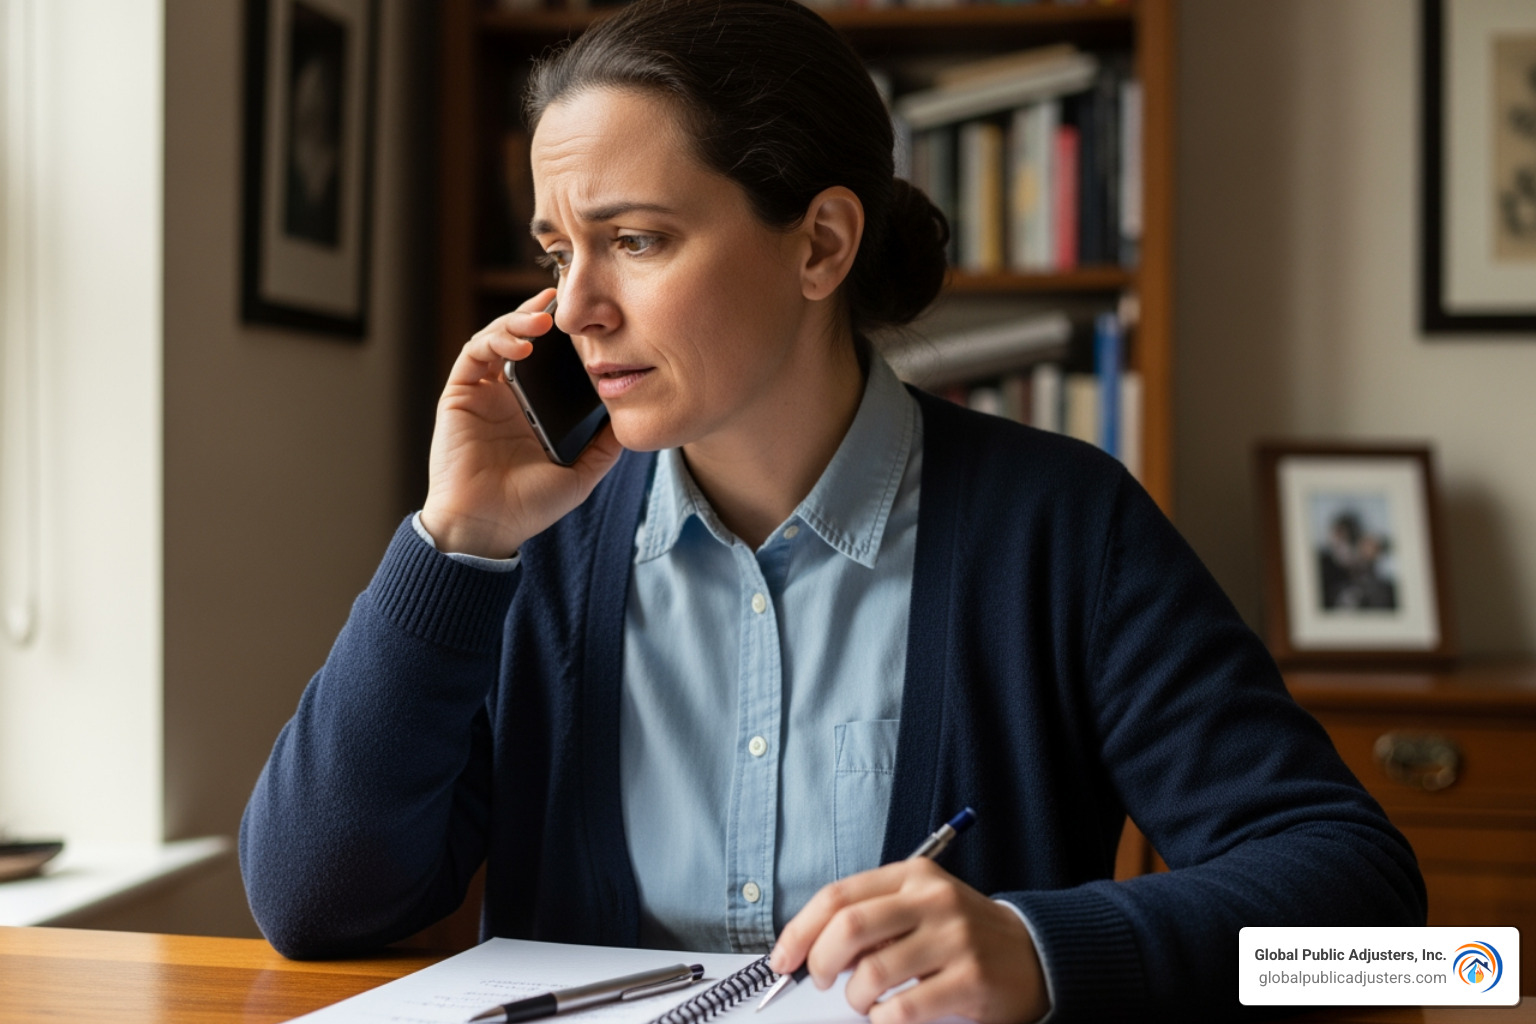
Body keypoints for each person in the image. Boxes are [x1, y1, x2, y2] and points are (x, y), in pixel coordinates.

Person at [239, 1, 1426, 1020]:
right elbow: (314, 906)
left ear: (821, 244)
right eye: (559, 252)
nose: (575, 307)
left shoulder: (1065, 529)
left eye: (636, 240)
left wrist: (1037, 949)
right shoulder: (524, 549)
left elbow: (1377, 926)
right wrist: (458, 539)